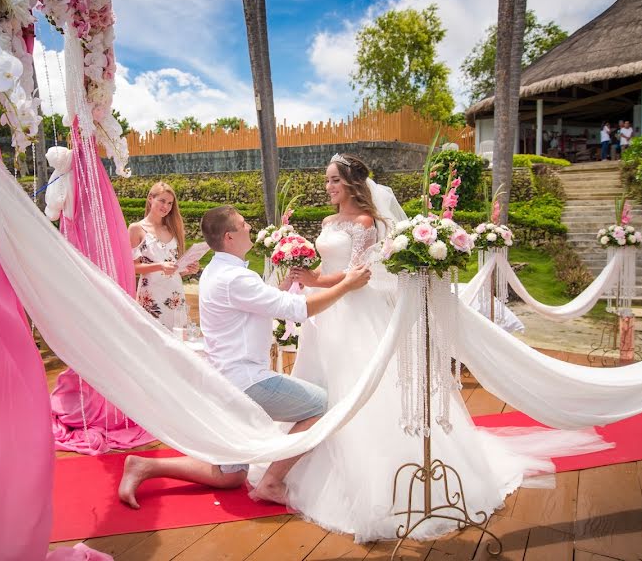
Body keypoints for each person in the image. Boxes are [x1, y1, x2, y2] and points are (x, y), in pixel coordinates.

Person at [281, 153, 608, 542]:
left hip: (356, 309)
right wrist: (306, 273)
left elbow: (358, 274)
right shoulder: (327, 221)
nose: (328, 186)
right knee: (326, 384)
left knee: (360, 385)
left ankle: (377, 476)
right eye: (327, 180)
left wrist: (317, 281)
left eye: (334, 180)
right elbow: (329, 268)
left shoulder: (366, 222)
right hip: (332, 313)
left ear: (352, 184)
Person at [117, 205, 372, 508]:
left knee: (231, 476)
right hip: (247, 382)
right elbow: (300, 310)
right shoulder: (237, 278)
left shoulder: (219, 270)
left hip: (224, 381)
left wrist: (282, 287)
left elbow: (255, 304)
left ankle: (145, 466)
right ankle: (272, 482)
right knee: (323, 406)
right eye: (243, 224)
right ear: (229, 237)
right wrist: (347, 284)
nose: (249, 227)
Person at [129, 182, 199, 330]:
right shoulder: (136, 229)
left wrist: (187, 270)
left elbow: (172, 268)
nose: (166, 206)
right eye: (162, 201)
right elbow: (133, 267)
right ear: (150, 199)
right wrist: (160, 266)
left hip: (174, 293)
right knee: (151, 338)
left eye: (170, 203)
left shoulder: (173, 229)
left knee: (178, 337)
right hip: (151, 295)